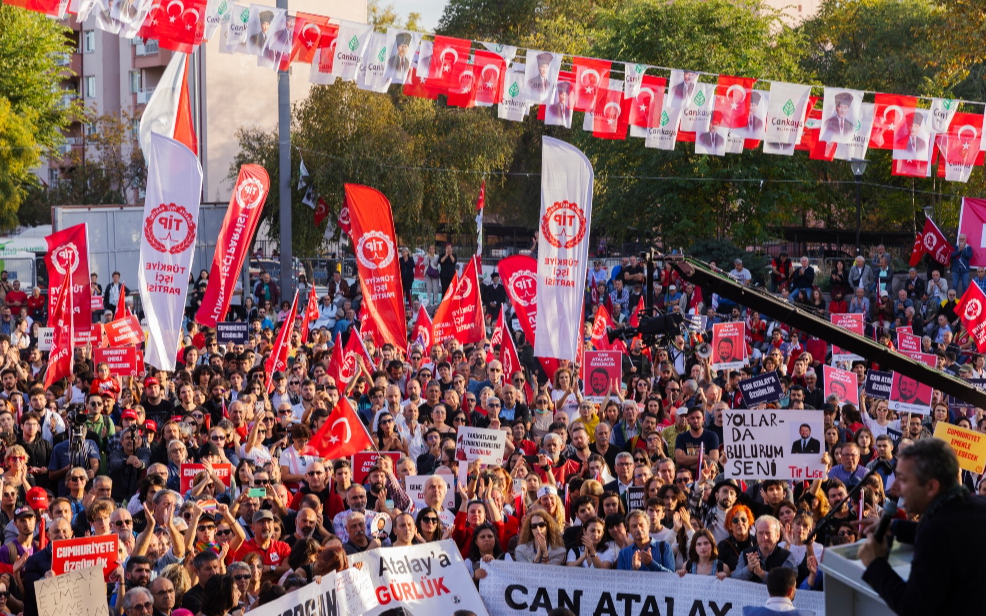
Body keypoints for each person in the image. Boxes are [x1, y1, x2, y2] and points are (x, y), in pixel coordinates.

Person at [859, 438, 986, 615]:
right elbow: (954, 537)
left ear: (931, 487)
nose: (894, 488)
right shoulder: (976, 504)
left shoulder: (935, 531)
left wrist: (874, 563)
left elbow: (912, 608)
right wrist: (894, 527)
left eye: (902, 479)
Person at [742, 568, 814, 616]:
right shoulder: (805, 614)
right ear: (790, 591)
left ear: (768, 588)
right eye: (795, 587)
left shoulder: (750, 613)